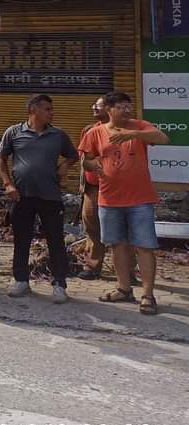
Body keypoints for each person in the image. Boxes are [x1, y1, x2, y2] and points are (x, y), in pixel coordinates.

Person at [79, 92, 169, 316]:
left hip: (140, 199)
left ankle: (148, 295)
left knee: (145, 247)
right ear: (109, 110)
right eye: (121, 106)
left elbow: (163, 139)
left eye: (128, 106)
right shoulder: (95, 132)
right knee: (117, 245)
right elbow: (86, 160)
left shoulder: (140, 126)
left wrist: (134, 134)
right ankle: (124, 289)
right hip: (109, 199)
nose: (127, 110)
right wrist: (93, 165)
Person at [0, 94, 79, 304]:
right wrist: (7, 184)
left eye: (51, 109)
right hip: (21, 195)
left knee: (56, 240)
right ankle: (21, 280)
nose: (52, 113)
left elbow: (73, 155)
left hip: (50, 196)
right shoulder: (14, 132)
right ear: (33, 110)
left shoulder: (58, 135)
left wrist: (65, 166)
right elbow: (1, 158)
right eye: (47, 109)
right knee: (21, 239)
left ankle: (59, 284)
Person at [78, 96, 110, 280]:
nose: (94, 108)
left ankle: (128, 271)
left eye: (98, 106)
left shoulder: (126, 131)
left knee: (123, 230)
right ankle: (92, 267)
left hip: (118, 189)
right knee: (92, 228)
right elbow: (84, 159)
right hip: (92, 188)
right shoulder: (89, 130)